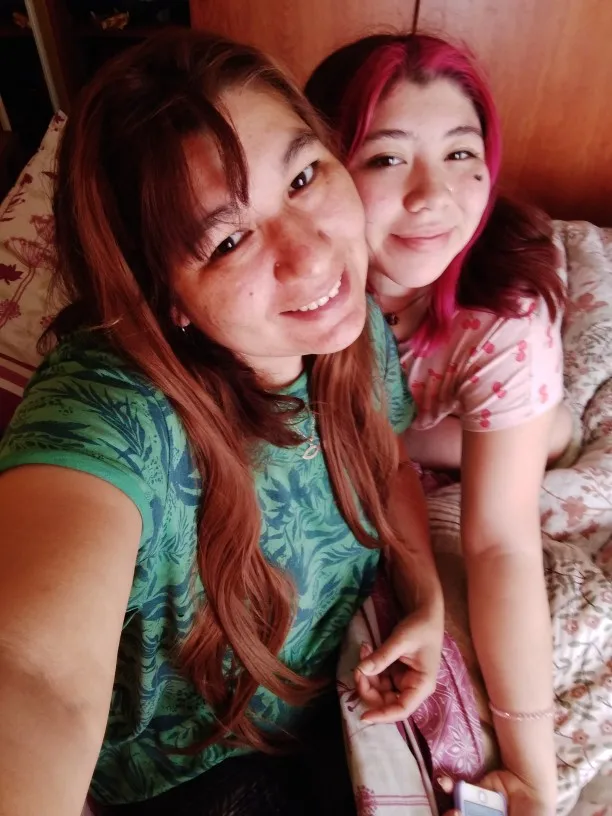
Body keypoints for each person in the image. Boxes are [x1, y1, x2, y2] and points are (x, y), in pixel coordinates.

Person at [0, 30, 446, 816]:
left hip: (339, 698)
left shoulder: (352, 332)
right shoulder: (112, 415)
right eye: (229, 240)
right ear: (164, 294)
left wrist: (425, 594)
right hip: (190, 779)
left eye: (304, 176)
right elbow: (35, 675)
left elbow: (386, 459)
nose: (312, 256)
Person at [306, 33, 572, 816]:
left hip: (454, 405)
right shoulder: (296, 285)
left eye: (461, 154)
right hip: (401, 427)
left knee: (539, 437)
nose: (433, 196)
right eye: (386, 158)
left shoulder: (503, 319)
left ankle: (545, 429)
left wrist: (534, 776)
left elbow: (501, 545)